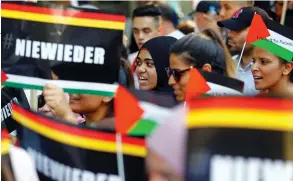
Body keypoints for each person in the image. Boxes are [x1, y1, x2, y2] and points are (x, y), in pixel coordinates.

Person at [167, 29, 236, 102]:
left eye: (177, 73)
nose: (170, 81)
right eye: (170, 72)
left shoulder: (227, 111)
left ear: (205, 72)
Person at [217, 7, 271, 95]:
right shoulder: (227, 64)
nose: (230, 35)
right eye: (230, 30)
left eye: (237, 29)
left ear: (258, 32)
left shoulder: (271, 72)